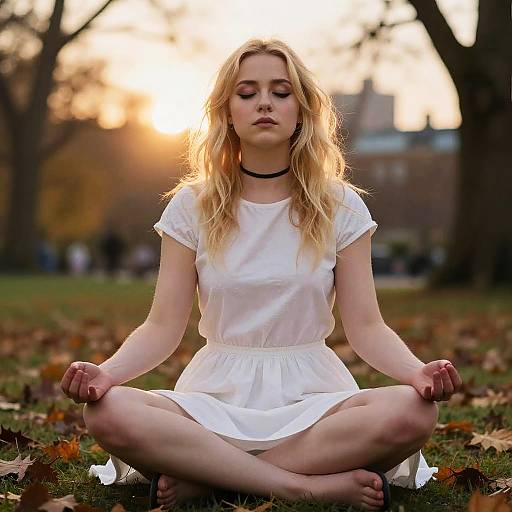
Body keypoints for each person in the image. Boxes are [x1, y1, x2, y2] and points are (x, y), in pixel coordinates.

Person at [60, 38, 462, 512]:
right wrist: (105, 374)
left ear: (302, 110)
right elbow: (162, 327)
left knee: (414, 411)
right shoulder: (192, 204)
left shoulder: (341, 205)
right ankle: (300, 486)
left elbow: (366, 327)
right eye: (247, 92)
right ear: (227, 111)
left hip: (314, 398)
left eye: (281, 91)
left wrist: (418, 372)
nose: (265, 102)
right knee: (108, 412)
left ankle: (209, 477)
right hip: (214, 393)